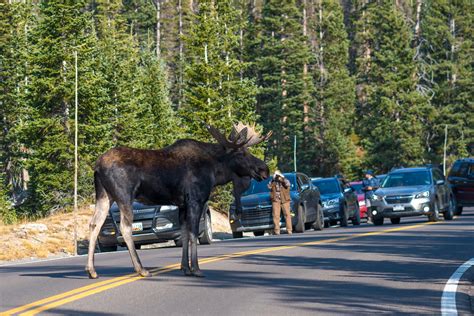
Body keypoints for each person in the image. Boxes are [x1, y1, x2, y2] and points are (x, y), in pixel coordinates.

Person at [268, 170, 292, 235]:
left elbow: (288, 184)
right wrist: (273, 179)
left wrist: (282, 179)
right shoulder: (273, 181)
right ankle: (277, 231)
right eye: (276, 175)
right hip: (276, 199)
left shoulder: (285, 180)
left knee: (287, 214)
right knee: (276, 215)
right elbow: (269, 187)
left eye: (278, 175)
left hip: (285, 199)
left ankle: (289, 230)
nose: (277, 177)